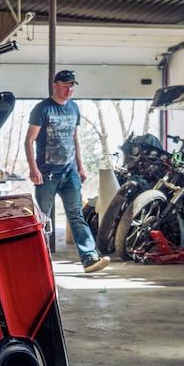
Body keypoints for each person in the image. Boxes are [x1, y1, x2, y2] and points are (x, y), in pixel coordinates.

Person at [24, 69, 110, 273]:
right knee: (42, 218)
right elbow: (29, 140)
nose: (69, 89)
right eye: (65, 85)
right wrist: (33, 168)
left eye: (72, 85)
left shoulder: (74, 108)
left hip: (70, 172)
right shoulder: (42, 109)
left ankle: (89, 258)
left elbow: (74, 139)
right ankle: (37, 262)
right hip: (47, 174)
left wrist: (81, 166)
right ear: (55, 85)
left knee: (76, 215)